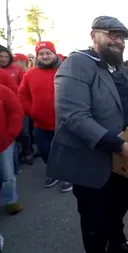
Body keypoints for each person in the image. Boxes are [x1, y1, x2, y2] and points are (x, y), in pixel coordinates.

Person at [47, 16, 128, 253]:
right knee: (94, 220)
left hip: (121, 161)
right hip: (91, 162)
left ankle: (117, 244)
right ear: (94, 35)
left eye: (123, 37)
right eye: (112, 35)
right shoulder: (77, 64)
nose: (119, 41)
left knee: (118, 208)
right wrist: (118, 145)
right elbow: (74, 116)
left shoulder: (123, 69)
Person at [18, 42, 73, 192]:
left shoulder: (66, 70)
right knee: (45, 150)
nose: (45, 56)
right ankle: (54, 172)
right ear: (37, 57)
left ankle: (69, 176)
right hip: (40, 123)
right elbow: (22, 94)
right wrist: (32, 111)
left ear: (54, 54)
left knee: (66, 150)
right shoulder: (29, 74)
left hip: (65, 122)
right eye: (41, 54)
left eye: (48, 53)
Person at [0, 83, 24, 215]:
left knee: (7, 174)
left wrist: (10, 134)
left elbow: (16, 112)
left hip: (4, 142)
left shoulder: (3, 91)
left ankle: (11, 201)